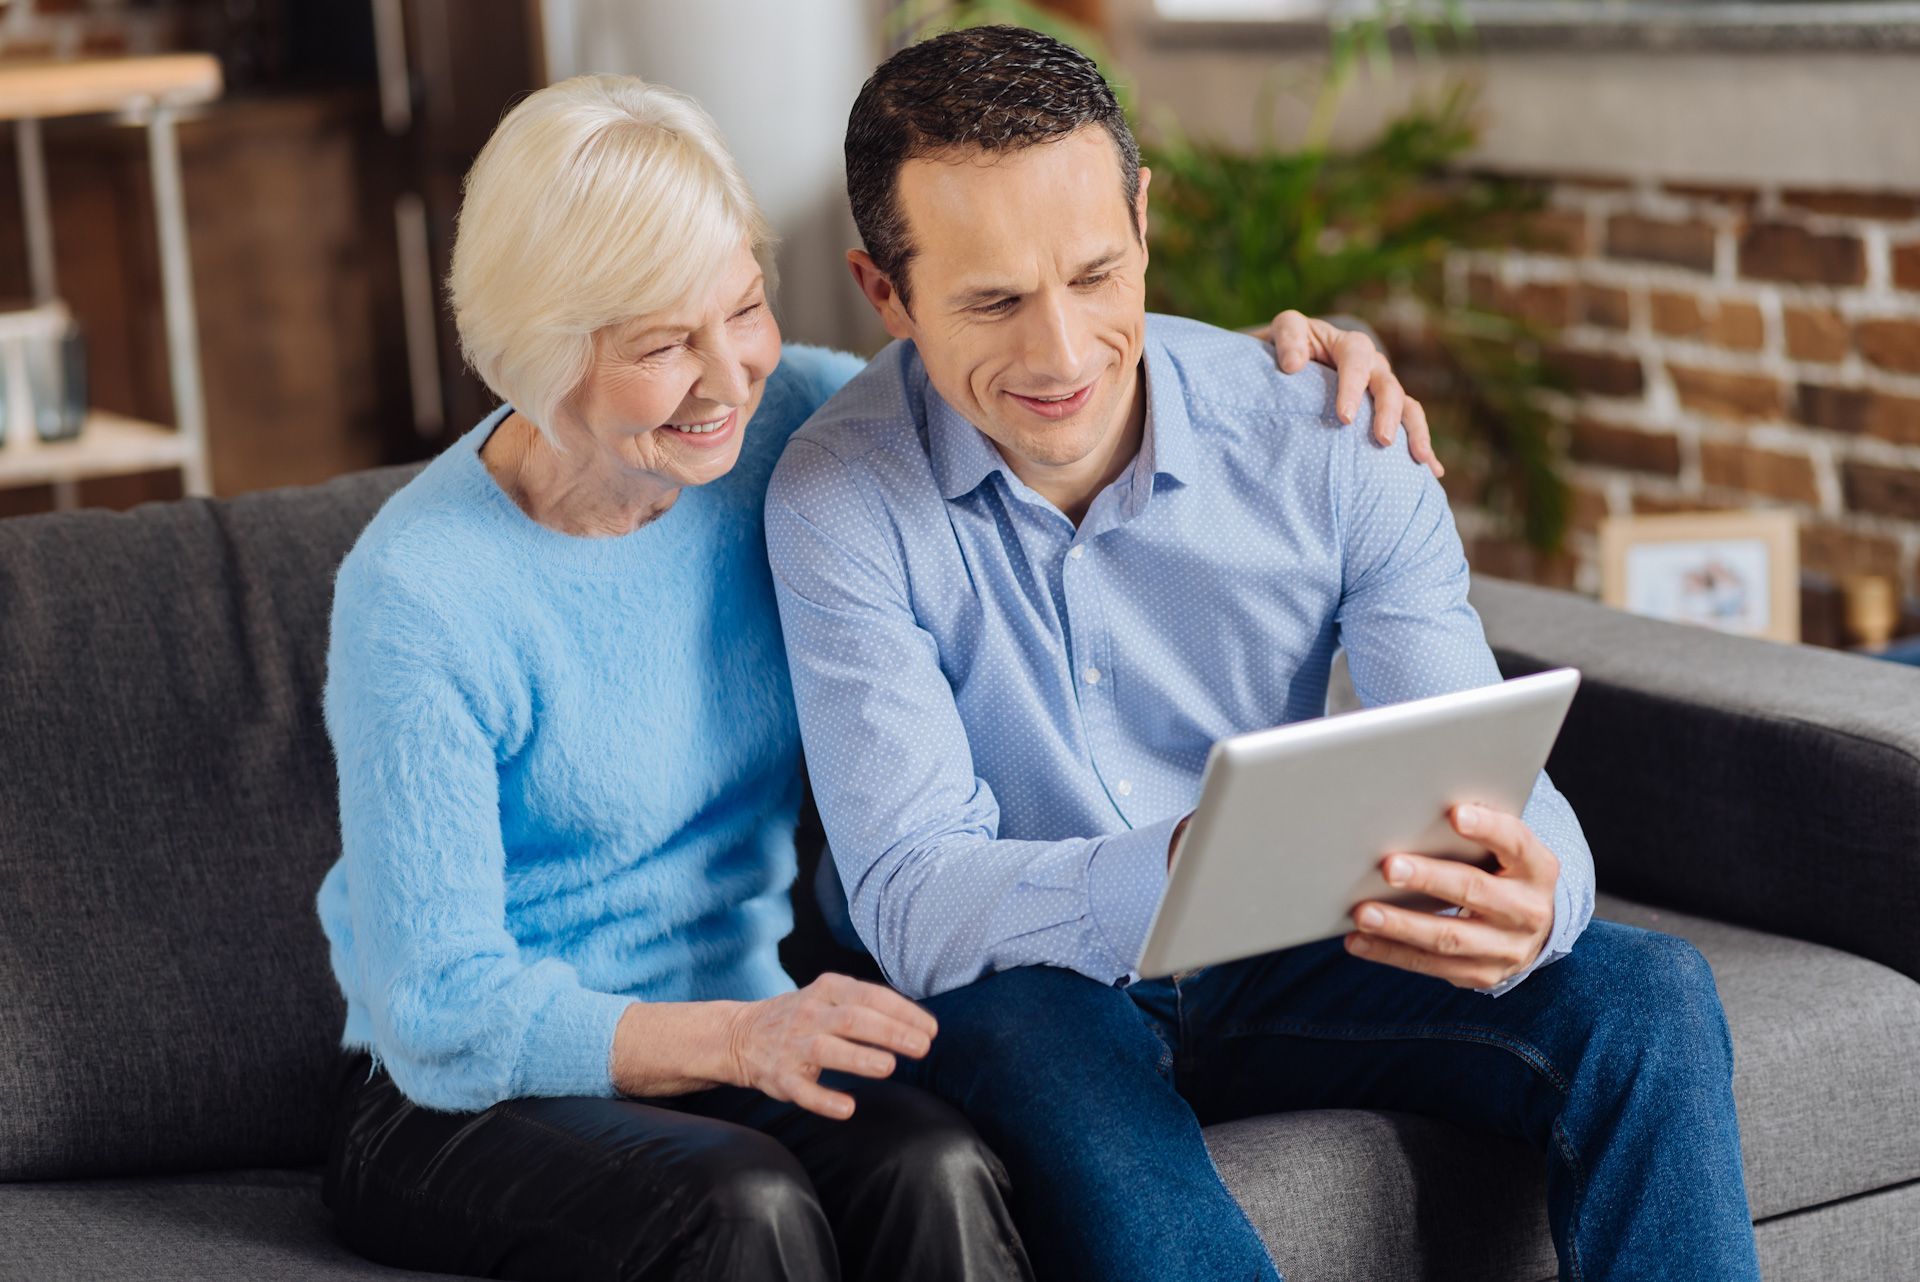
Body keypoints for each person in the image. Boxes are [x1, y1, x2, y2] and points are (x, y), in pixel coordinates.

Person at [315, 71, 1424, 1282]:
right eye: (660, 345)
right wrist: (739, 1039)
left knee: (938, 1168)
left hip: (749, 1031)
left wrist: (1277, 368)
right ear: (539, 357)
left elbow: (1007, 369)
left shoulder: (789, 428)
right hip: (459, 1094)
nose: (727, 376)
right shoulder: (420, 591)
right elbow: (439, 1005)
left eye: (739, 309)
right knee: (744, 1208)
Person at [765, 25, 1763, 1282]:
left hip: (1294, 946)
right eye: (993, 301)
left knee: (1646, 996)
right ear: (884, 292)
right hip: (1029, 982)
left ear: (1143, 216)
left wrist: (1539, 886)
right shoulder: (840, 500)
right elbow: (915, 899)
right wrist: (1171, 869)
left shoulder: (1329, 434)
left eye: (1093, 274)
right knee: (1053, 1068)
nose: (1062, 354)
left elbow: (1478, 751)